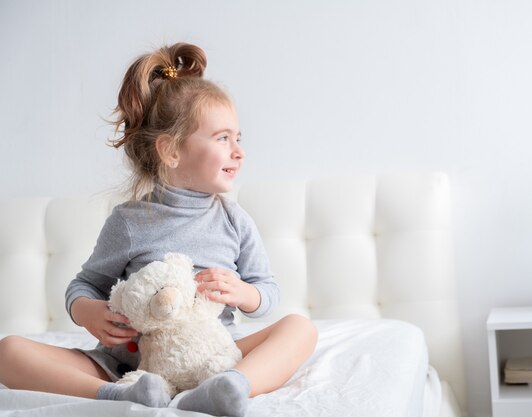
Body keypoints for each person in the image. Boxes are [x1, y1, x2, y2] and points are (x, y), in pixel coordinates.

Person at [0, 42, 318, 417]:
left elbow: (268, 292)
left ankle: (231, 385)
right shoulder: (131, 221)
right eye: (222, 138)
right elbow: (83, 285)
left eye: (238, 138)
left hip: (216, 356)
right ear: (171, 151)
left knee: (300, 328)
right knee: (8, 352)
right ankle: (119, 396)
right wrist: (89, 312)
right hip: (133, 365)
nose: (238, 151)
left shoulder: (234, 220)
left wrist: (245, 294)